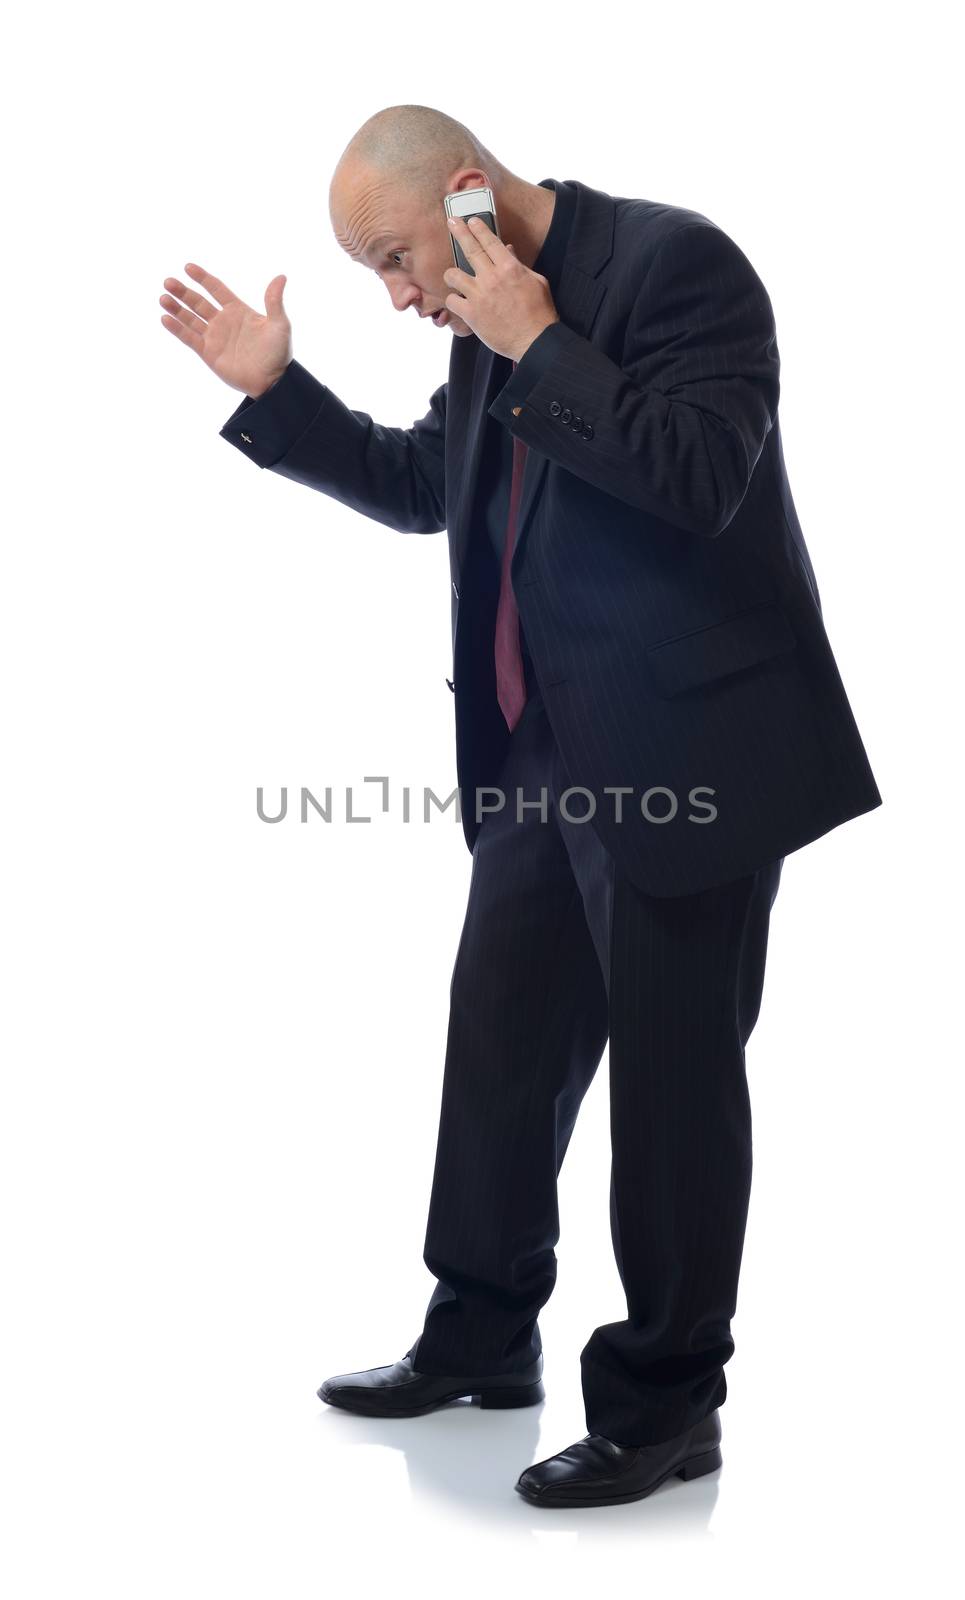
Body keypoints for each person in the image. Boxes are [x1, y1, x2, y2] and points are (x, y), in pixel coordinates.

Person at [160, 104, 882, 1509]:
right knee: (498, 1048)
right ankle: (479, 1336)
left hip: (689, 758)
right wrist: (276, 391)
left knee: (671, 1096)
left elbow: (696, 472)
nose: (397, 294)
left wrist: (536, 341)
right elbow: (432, 485)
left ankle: (669, 1408)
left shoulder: (677, 272)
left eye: (395, 256)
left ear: (471, 192)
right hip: (544, 755)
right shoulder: (480, 326)